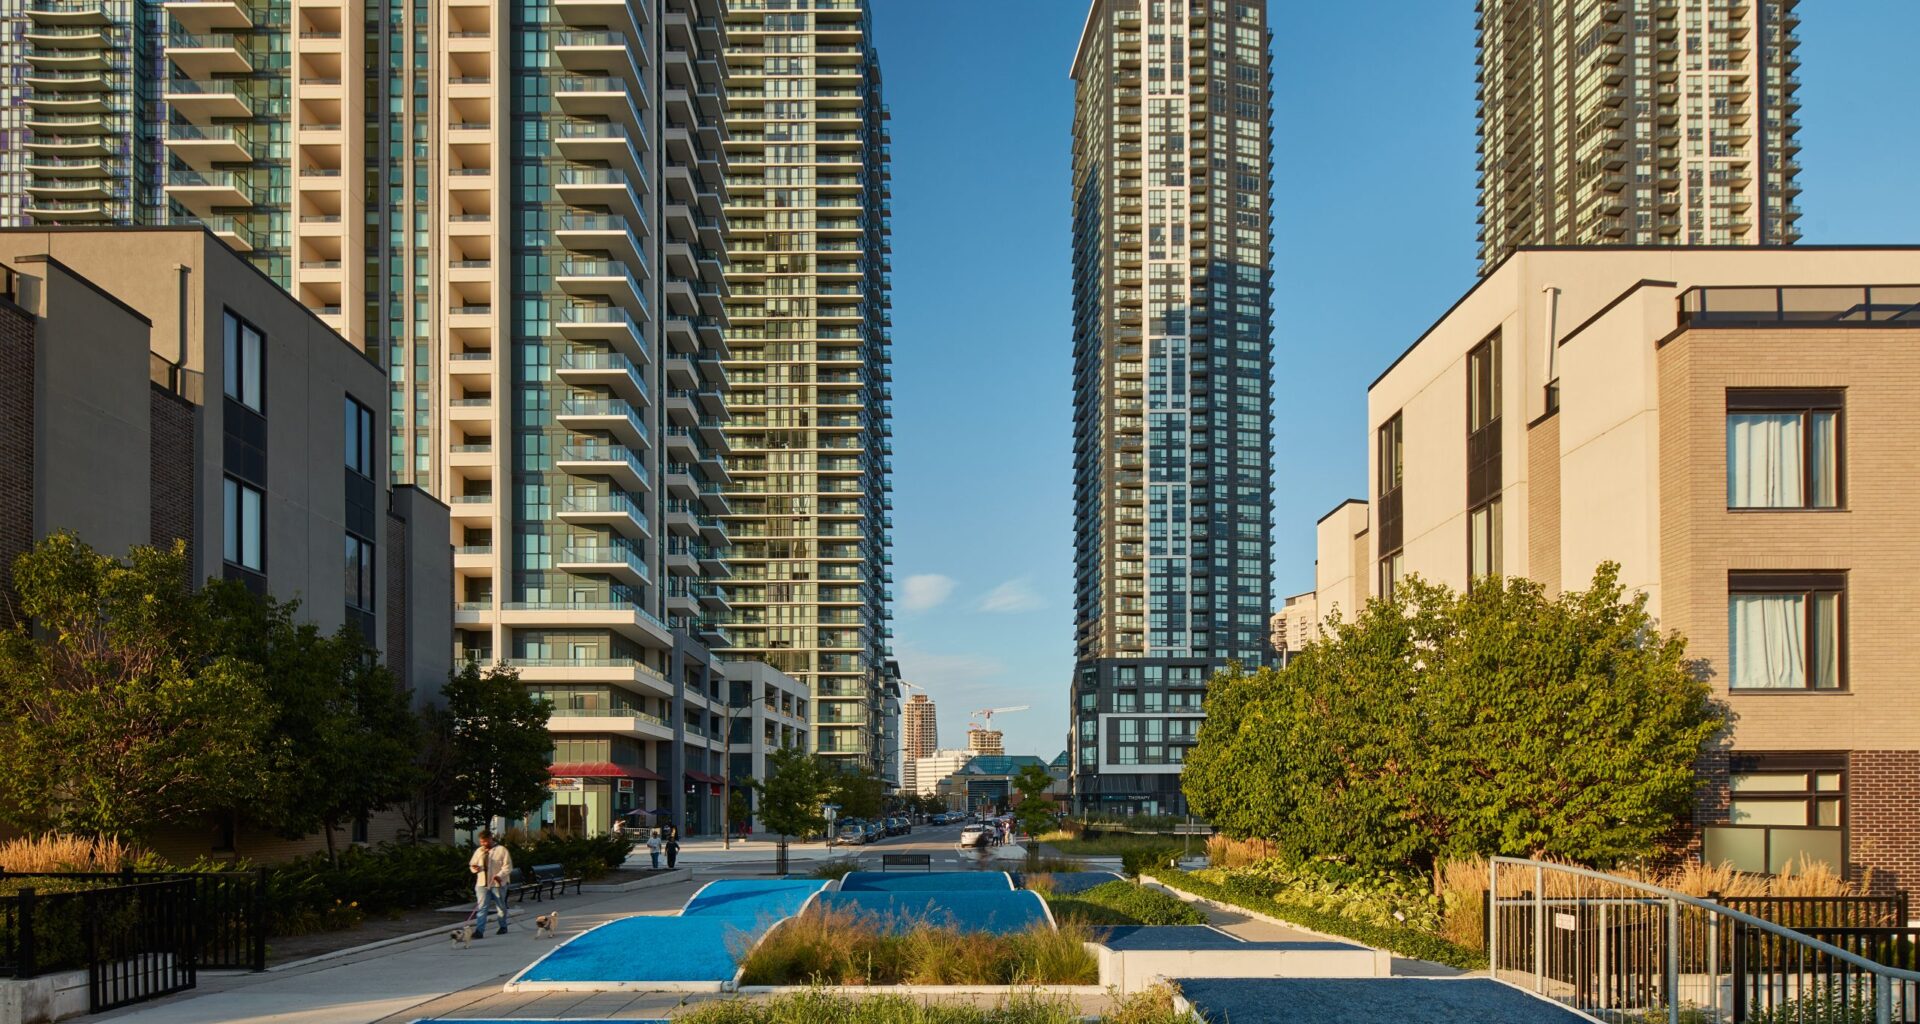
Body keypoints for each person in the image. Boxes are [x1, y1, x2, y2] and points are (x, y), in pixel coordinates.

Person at [468, 830, 513, 938]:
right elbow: (472, 864)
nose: (483, 844)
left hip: (497, 884)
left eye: (485, 841)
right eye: (481, 842)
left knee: (501, 906)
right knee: (482, 907)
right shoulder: (479, 851)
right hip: (482, 884)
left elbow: (508, 867)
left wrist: (500, 875)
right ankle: (479, 931)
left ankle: (503, 926)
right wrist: (476, 868)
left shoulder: (502, 850)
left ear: (490, 838)